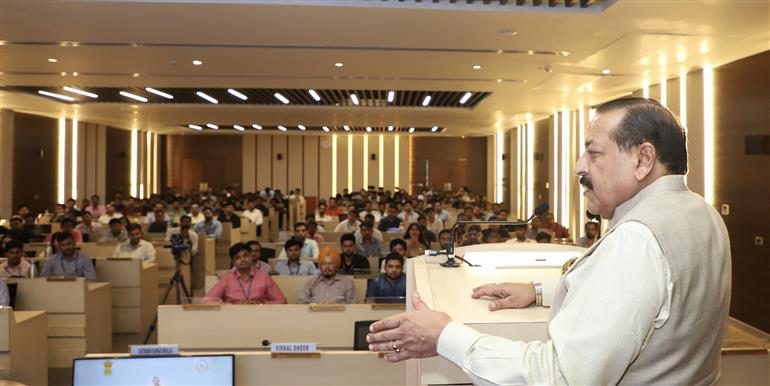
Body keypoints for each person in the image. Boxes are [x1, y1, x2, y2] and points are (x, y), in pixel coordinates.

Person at [366, 97, 731, 385]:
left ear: (643, 159)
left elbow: (559, 377)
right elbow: (651, 298)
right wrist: (540, 290)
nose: (578, 166)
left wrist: (445, 335)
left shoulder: (637, 237)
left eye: (594, 152)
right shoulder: (703, 215)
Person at [205, 243, 286, 304]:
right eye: (238, 258)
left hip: (260, 316)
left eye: (245, 256)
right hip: (233, 317)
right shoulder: (226, 279)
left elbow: (282, 301)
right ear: (233, 262)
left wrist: (263, 304)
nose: (243, 259)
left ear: (251, 257)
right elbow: (207, 300)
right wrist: (230, 306)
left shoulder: (264, 277)